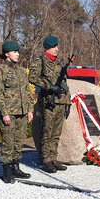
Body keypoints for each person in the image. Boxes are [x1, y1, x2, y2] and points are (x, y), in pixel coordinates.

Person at [28, 36, 70, 173]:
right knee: (47, 132)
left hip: (60, 102)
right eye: (54, 47)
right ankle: (46, 160)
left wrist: (68, 101)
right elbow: (33, 77)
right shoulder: (39, 61)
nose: (57, 49)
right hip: (48, 102)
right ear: (47, 48)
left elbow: (65, 84)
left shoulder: (59, 63)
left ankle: (53, 158)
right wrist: (49, 87)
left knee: (56, 133)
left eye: (57, 47)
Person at [0, 41, 33, 183]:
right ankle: (7, 171)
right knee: (8, 143)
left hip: (22, 112)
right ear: (6, 54)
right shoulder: (1, 70)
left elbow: (27, 92)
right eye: (14, 52)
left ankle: (16, 167)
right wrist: (4, 113)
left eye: (18, 52)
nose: (17, 54)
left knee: (18, 142)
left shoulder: (21, 71)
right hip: (9, 113)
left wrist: (30, 109)